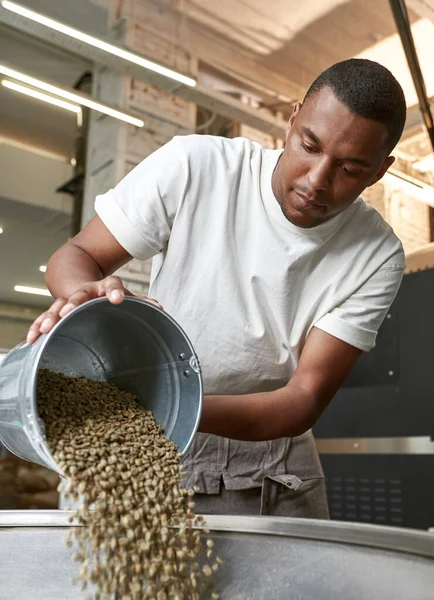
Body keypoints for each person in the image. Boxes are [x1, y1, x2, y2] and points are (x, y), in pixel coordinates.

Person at [27, 58, 407, 519]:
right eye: (309, 145)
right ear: (292, 119)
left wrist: (174, 403)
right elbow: (77, 255)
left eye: (349, 168)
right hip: (146, 439)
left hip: (271, 464)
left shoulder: (376, 254)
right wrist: (80, 293)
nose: (316, 180)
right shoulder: (196, 166)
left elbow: (303, 398)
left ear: (379, 171)